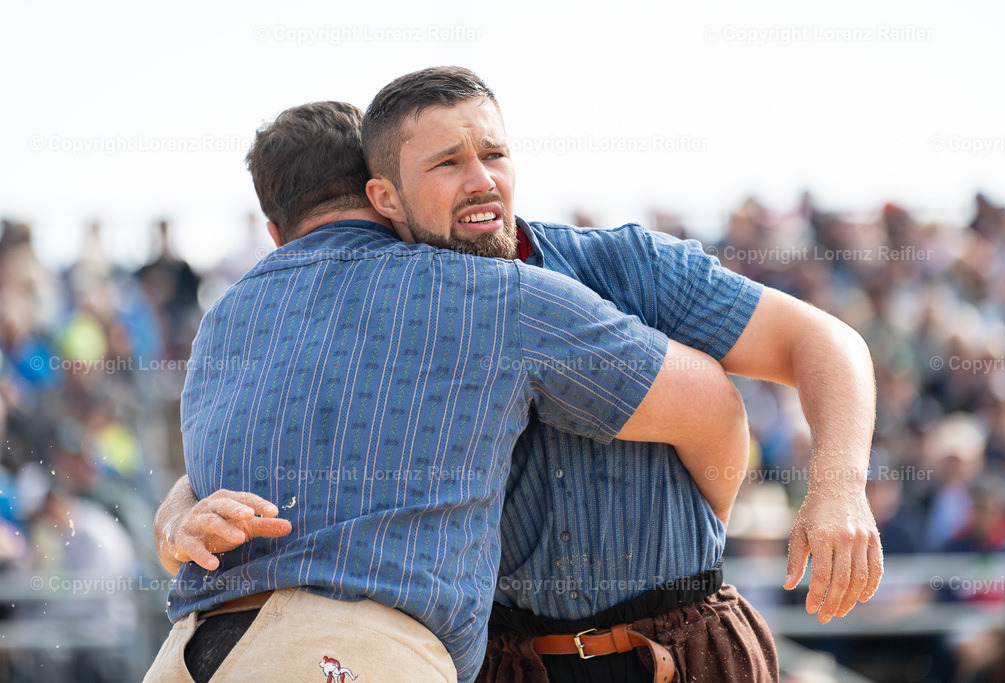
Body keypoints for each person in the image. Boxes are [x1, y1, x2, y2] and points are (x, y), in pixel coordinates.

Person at [158, 67, 883, 682]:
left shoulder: (622, 264)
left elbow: (820, 342)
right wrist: (176, 511)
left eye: (494, 153)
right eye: (446, 164)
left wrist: (836, 487)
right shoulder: (389, 306)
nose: (480, 181)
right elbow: (299, 449)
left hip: (679, 641)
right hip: (507, 660)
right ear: (385, 200)